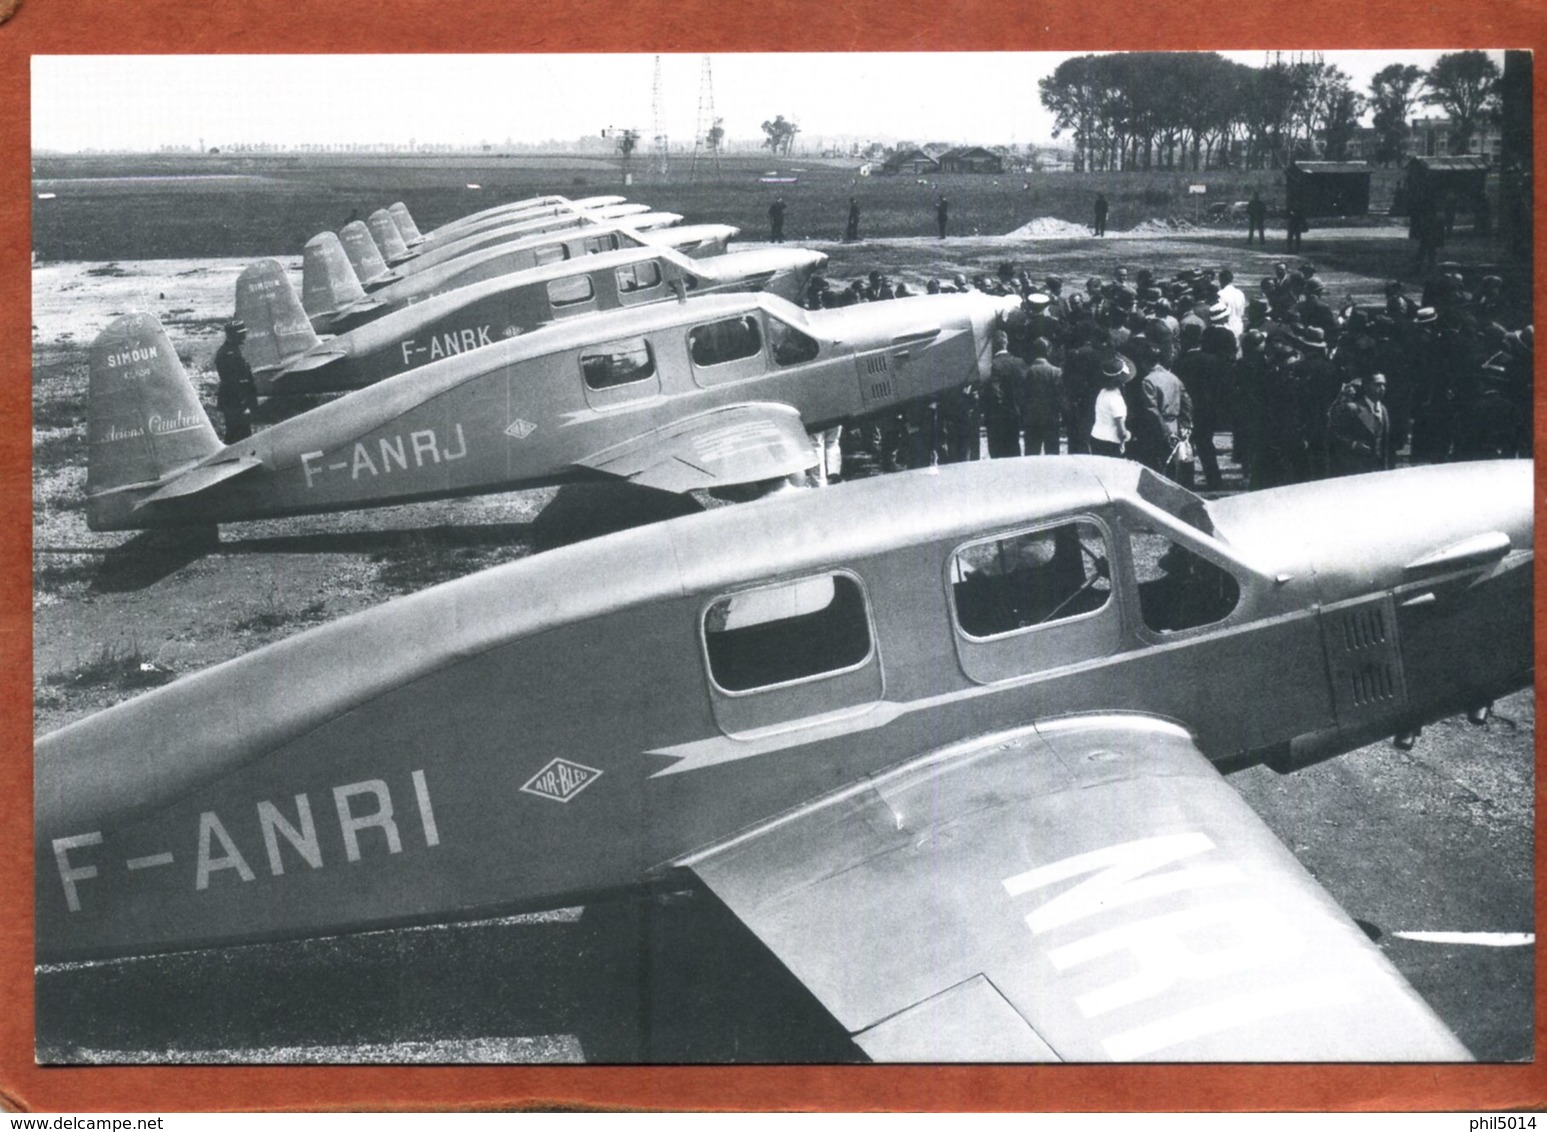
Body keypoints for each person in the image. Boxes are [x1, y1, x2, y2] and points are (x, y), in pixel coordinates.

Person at [1326, 372, 1393, 476]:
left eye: (1384, 385)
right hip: (1357, 468)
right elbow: (1334, 433)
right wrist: (1353, 444)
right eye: (1377, 385)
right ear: (1366, 386)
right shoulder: (1353, 408)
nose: (1382, 388)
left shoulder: (1383, 409)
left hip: (1379, 469)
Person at [215, 320, 259, 444]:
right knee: (237, 435)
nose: (244, 335)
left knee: (242, 433)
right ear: (233, 335)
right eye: (241, 333)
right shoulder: (228, 354)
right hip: (234, 402)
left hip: (235, 401)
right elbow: (233, 382)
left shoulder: (233, 350)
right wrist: (244, 405)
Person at [982, 331, 1025, 459]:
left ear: (993, 345)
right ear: (1007, 343)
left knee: (997, 454)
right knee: (1013, 450)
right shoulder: (1019, 362)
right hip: (1015, 414)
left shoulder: (993, 365)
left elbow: (995, 392)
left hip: (997, 418)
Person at [1089, 353, 1132, 456]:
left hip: (1096, 436)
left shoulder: (1102, 393)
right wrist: (1127, 435)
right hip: (1110, 442)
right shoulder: (1116, 399)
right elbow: (1120, 430)